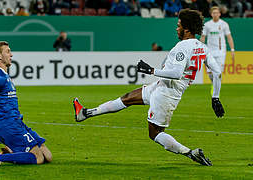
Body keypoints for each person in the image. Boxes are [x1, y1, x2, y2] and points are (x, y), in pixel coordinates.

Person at [73, 9, 225, 166]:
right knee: (127, 98)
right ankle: (84, 114)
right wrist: (215, 97)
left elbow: (177, 73)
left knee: (155, 134)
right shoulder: (202, 47)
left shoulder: (183, 47)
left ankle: (191, 153)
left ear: (186, 29)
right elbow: (217, 72)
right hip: (161, 87)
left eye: (178, 25)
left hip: (167, 93)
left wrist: (151, 70)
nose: (176, 28)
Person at [200, 6, 235, 93]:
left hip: (221, 51)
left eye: (217, 13)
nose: (215, 14)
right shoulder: (207, 25)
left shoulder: (224, 24)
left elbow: (229, 37)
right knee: (210, 73)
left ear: (220, 14)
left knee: (218, 72)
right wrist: (201, 49)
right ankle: (214, 84)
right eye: (213, 13)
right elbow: (203, 38)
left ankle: (216, 91)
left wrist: (232, 50)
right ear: (211, 14)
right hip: (210, 51)